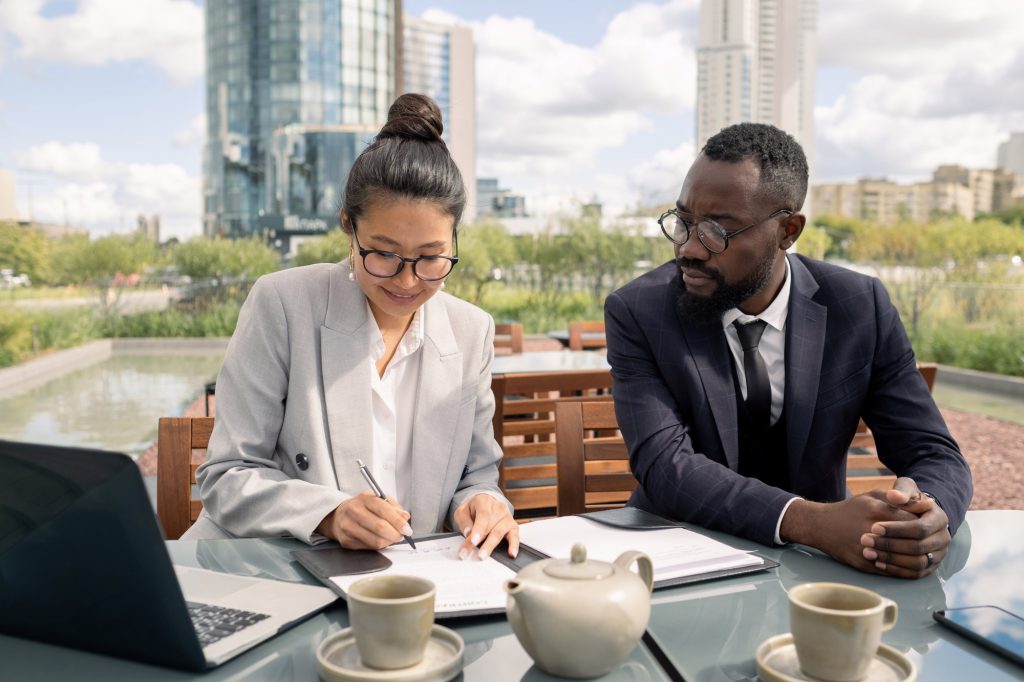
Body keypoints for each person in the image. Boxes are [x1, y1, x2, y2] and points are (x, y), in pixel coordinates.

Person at [605, 122, 972, 579]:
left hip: (818, 572)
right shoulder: (639, 310)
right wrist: (813, 522)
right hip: (679, 556)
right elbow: (666, 468)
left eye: (718, 230)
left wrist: (928, 514)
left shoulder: (859, 307)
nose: (690, 248)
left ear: (788, 231)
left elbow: (932, 450)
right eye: (684, 221)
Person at [185, 93, 519, 561]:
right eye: (383, 253)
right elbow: (227, 475)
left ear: (454, 239)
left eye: (430, 258)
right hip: (272, 569)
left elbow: (476, 476)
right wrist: (328, 513)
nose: (407, 280)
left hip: (404, 582)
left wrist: (483, 504)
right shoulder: (283, 303)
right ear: (348, 228)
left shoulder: (471, 330)